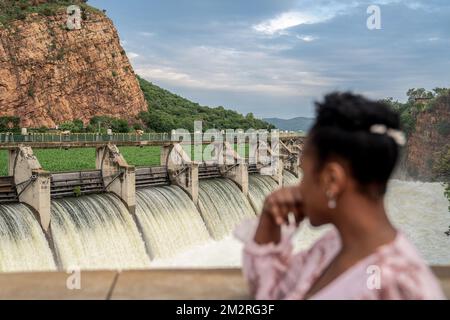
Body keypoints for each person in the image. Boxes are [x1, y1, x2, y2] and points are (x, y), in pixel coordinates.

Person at [235, 92, 445, 300]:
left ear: (332, 180)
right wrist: (269, 221)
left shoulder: (399, 285)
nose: (299, 187)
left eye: (304, 174)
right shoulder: (332, 247)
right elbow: (272, 293)